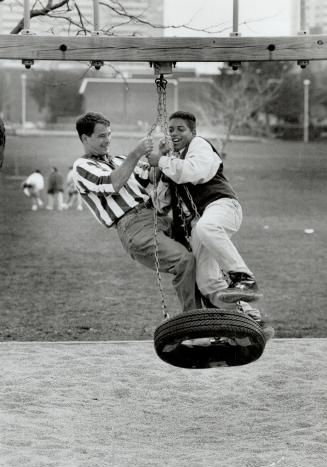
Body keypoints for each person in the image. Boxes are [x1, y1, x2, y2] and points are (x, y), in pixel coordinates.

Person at [147, 111, 274, 338]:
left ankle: (244, 278)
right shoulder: (173, 163)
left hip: (223, 206)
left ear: (193, 132)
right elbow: (161, 201)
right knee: (207, 283)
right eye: (171, 130)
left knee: (207, 228)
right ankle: (251, 321)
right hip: (201, 224)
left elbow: (195, 172)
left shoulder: (200, 146)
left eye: (181, 129)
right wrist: (160, 166)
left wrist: (162, 161)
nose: (175, 133)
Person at [72, 111, 199, 313]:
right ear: (85, 138)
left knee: (203, 251)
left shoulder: (119, 160)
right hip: (134, 227)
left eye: (109, 134)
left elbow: (153, 175)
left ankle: (224, 314)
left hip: (157, 216)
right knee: (184, 260)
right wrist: (137, 152)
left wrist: (163, 154)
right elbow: (112, 184)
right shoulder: (81, 167)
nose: (108, 140)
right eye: (101, 136)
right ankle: (196, 321)